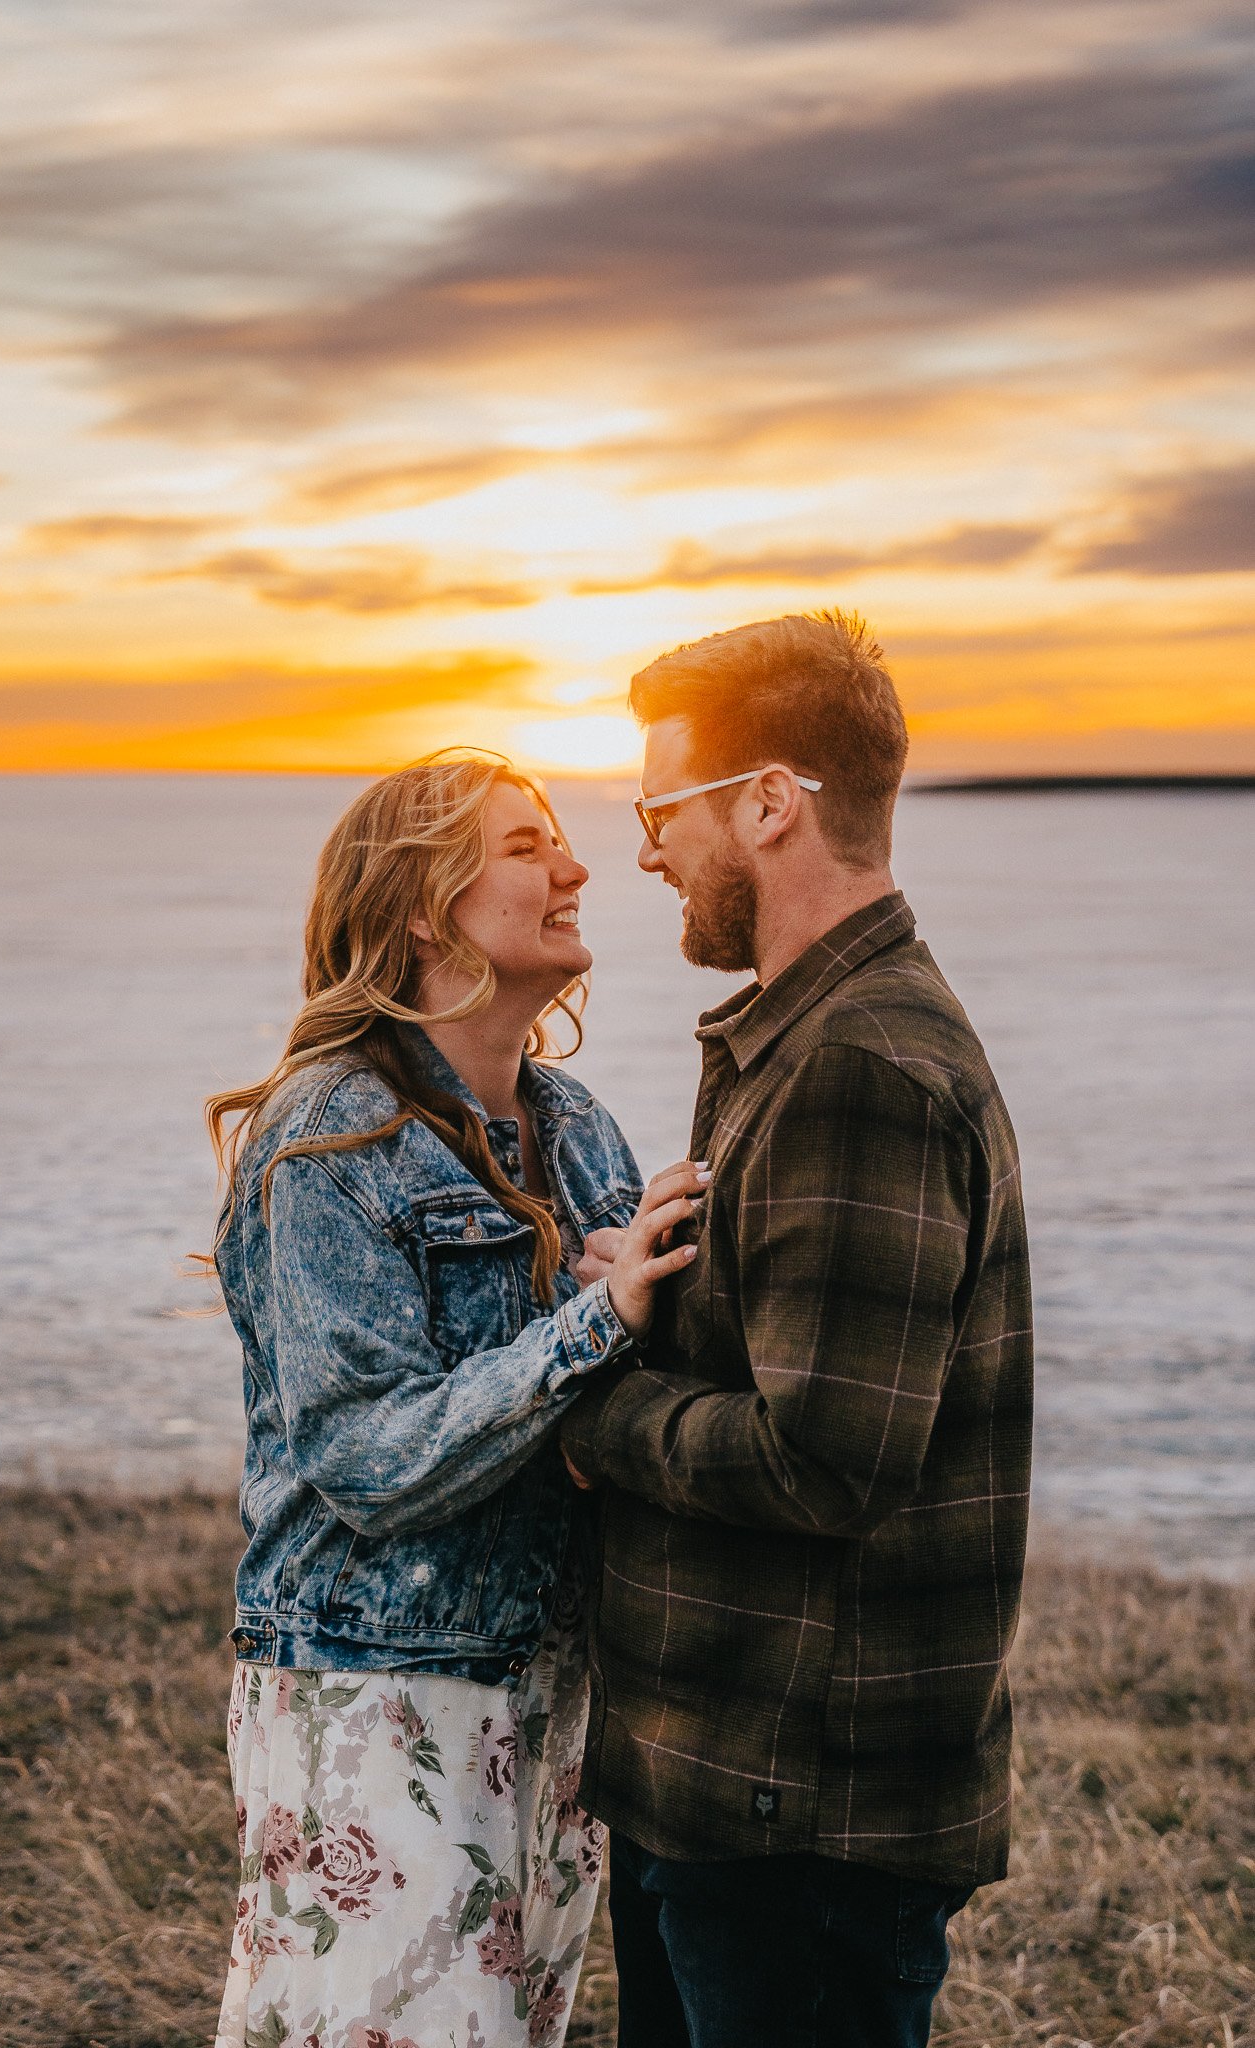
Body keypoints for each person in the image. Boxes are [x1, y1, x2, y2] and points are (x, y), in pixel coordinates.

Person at [563, 613, 1034, 2048]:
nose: (644, 852)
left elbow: (821, 1461)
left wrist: (589, 1389)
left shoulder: (857, 1069)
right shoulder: (797, 1039)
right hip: (727, 1788)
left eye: (660, 810)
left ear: (768, 803)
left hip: (794, 1815)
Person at [202, 753, 704, 2048]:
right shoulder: (324, 1146)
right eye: (529, 844)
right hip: (377, 1690)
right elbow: (367, 1460)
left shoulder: (574, 1122)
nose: (578, 867)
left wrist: (655, 1309)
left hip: (554, 1690)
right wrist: (601, 1317)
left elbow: (611, 1392)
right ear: (425, 905)